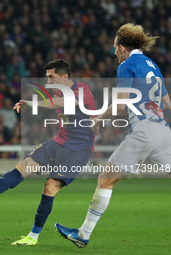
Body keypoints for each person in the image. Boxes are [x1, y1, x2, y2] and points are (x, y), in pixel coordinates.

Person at [55, 23, 171, 248]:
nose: (115, 53)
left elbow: (119, 105)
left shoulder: (127, 65)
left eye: (115, 49)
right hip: (164, 132)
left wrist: (98, 119)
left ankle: (83, 234)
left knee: (105, 179)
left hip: (144, 132)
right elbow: (167, 103)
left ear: (123, 48)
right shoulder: (153, 65)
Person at [0, 59, 95, 245]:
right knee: (23, 166)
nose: (48, 82)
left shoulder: (82, 90)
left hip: (78, 151)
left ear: (65, 77)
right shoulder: (59, 90)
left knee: (50, 187)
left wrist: (33, 103)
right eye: (47, 78)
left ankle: (33, 236)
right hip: (58, 142)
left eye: (52, 78)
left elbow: (61, 101)